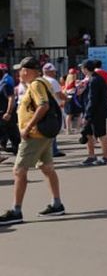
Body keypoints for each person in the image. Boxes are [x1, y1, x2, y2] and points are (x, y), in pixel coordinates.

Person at [0, 57, 65, 225]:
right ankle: (57, 204)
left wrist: (27, 128)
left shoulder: (36, 84)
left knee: (19, 171)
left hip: (34, 135)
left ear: (26, 71)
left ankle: (16, 210)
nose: (18, 73)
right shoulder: (42, 82)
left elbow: (43, 105)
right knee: (47, 167)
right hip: (43, 134)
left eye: (20, 70)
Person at [80, 59, 107, 166]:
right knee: (88, 133)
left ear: (85, 69)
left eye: (82, 68)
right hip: (93, 110)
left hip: (97, 112)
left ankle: (106, 157)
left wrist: (87, 114)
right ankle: (91, 155)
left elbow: (92, 99)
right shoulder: (92, 79)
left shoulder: (94, 80)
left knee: (101, 134)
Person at [41, 63, 66, 158]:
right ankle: (53, 150)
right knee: (54, 127)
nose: (55, 73)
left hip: (44, 106)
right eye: (53, 71)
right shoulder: (52, 81)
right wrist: (67, 98)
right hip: (54, 107)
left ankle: (52, 149)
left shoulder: (41, 80)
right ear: (50, 72)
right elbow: (59, 94)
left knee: (48, 128)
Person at [0, 63, 18, 157]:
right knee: (10, 133)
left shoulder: (5, 84)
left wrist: (8, 112)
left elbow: (11, 98)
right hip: (2, 113)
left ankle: (19, 152)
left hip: (5, 113)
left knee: (13, 133)